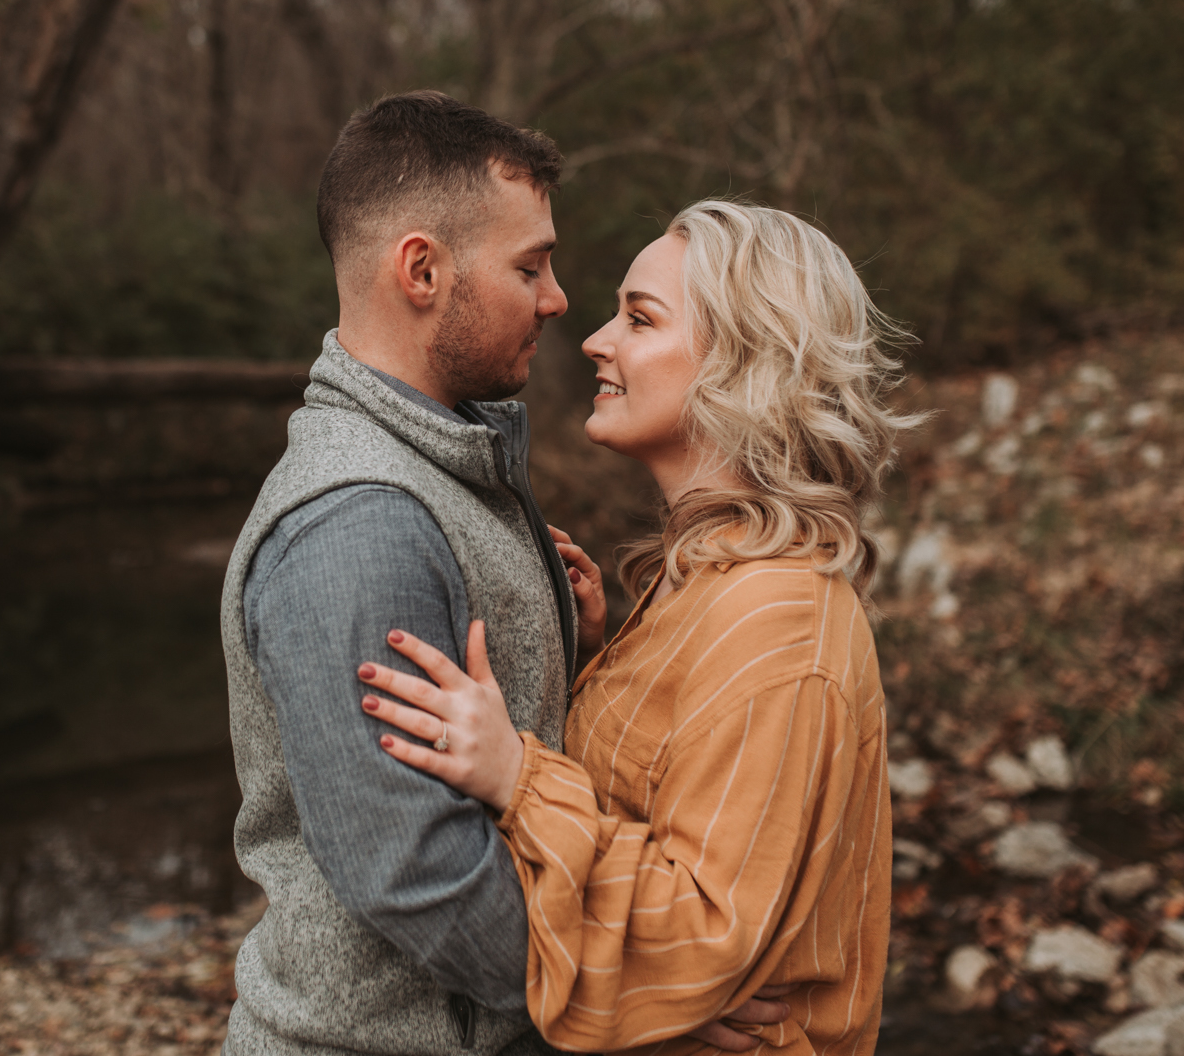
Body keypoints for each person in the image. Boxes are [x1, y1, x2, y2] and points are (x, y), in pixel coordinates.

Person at [219, 95, 788, 1056]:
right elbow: (414, 866)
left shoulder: (452, 469)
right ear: (423, 269)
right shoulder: (360, 522)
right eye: (531, 266)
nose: (559, 297)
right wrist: (644, 999)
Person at [357, 200, 912, 1056]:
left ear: (745, 364)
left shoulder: (776, 618)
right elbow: (679, 812)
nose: (593, 337)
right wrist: (600, 663)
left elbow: (702, 938)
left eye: (639, 317)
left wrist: (516, 773)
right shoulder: (704, 580)